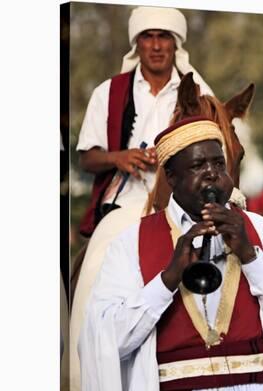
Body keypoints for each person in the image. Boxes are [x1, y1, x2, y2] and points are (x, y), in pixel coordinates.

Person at [79, 116, 263, 391]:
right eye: (197, 166)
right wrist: (167, 279)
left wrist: (250, 256)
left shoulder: (260, 231)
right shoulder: (131, 243)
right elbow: (106, 339)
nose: (211, 173)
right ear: (171, 176)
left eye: (218, 163)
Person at [76, 6, 213, 237]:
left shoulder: (200, 96)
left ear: (175, 43)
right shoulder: (107, 92)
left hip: (184, 207)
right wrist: (118, 157)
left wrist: (171, 158)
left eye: (164, 36)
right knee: (99, 265)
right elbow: (87, 159)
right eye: (148, 37)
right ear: (137, 44)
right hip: (123, 205)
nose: (156, 46)